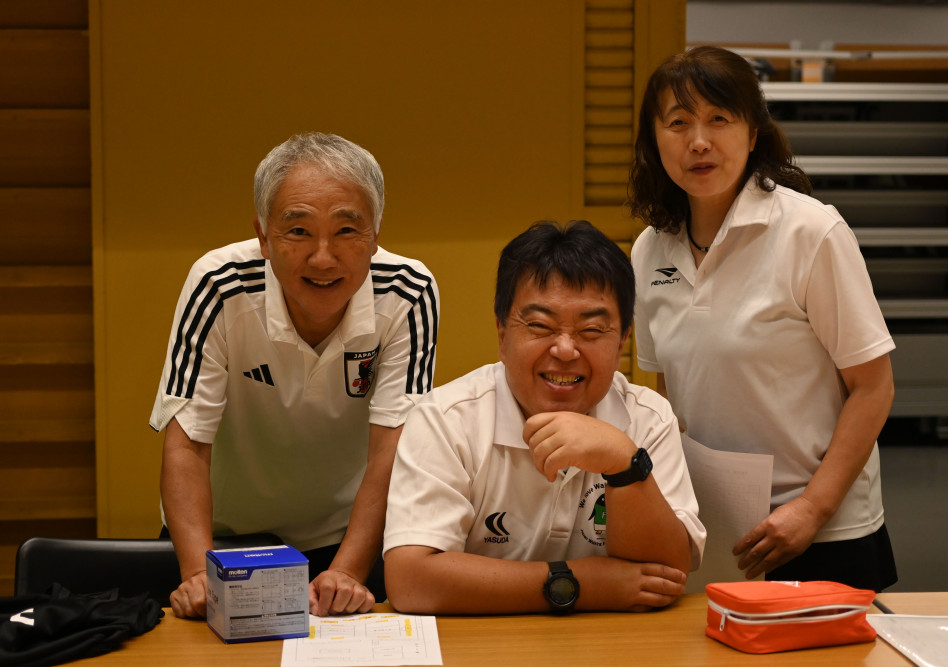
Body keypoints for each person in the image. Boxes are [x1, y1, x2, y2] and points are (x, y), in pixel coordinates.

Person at [627, 45, 897, 591]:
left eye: (719, 120)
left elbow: (874, 387)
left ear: (753, 133)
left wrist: (812, 509)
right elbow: (668, 396)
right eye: (678, 123)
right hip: (717, 528)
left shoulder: (811, 232)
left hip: (825, 531)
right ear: (654, 141)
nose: (698, 141)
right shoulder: (649, 251)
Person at [149, 132, 439, 619]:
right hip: (224, 538)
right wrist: (199, 572)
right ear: (264, 237)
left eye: (347, 230)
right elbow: (187, 445)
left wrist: (348, 571)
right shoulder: (218, 283)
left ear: (374, 235)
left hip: (348, 539)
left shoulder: (408, 291)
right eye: (299, 231)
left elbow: (391, 449)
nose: (323, 257)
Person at [382, 220, 705, 615]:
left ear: (622, 340)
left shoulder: (647, 419)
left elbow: (668, 574)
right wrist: (582, 584)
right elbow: (411, 581)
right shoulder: (446, 419)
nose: (565, 350)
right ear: (502, 334)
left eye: (591, 330)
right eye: (539, 326)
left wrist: (624, 464)